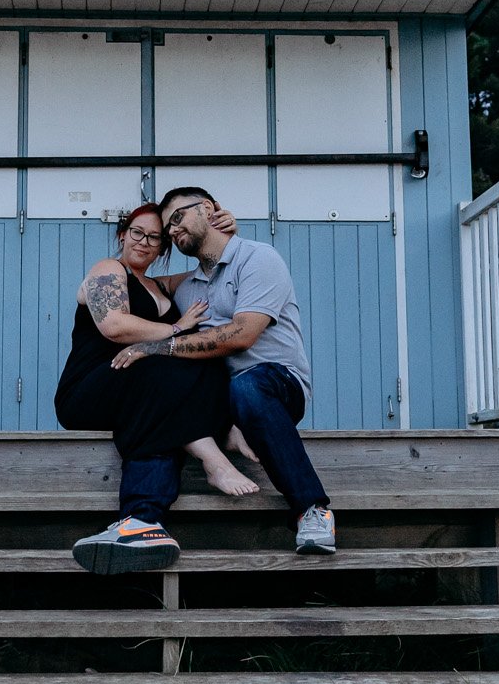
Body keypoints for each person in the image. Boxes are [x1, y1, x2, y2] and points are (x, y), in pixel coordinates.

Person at [104, 186, 336, 556]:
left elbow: (242, 335)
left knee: (245, 388)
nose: (173, 231)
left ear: (209, 209)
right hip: (218, 400)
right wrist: (106, 271)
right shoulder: (189, 286)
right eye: (168, 230)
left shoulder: (258, 258)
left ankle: (312, 509)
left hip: (274, 385)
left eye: (178, 217)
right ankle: (142, 521)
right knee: (161, 400)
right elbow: (140, 283)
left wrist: (161, 345)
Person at [55, 202, 258, 575]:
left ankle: (142, 522)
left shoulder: (163, 285)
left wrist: (227, 233)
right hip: (88, 390)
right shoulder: (108, 270)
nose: (145, 242)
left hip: (140, 396)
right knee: (168, 358)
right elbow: (114, 326)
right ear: (122, 234)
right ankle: (214, 453)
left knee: (204, 357)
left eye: (156, 238)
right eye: (137, 233)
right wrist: (176, 330)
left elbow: (213, 268)